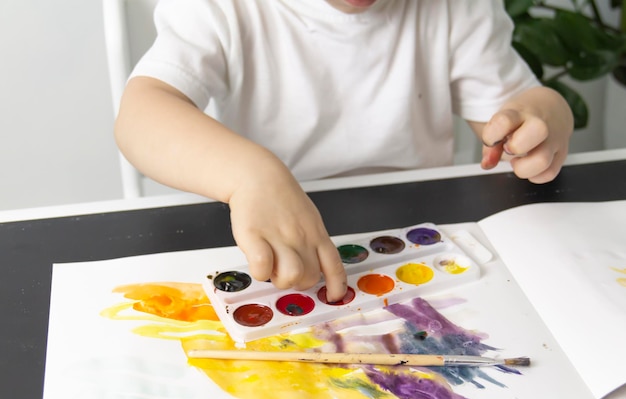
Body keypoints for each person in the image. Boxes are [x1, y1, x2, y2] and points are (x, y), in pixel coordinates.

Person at [114, 0, 573, 302]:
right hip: (272, 233)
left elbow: (511, 111)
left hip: (415, 238)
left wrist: (543, 114)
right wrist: (249, 177)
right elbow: (140, 115)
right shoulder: (220, 8)